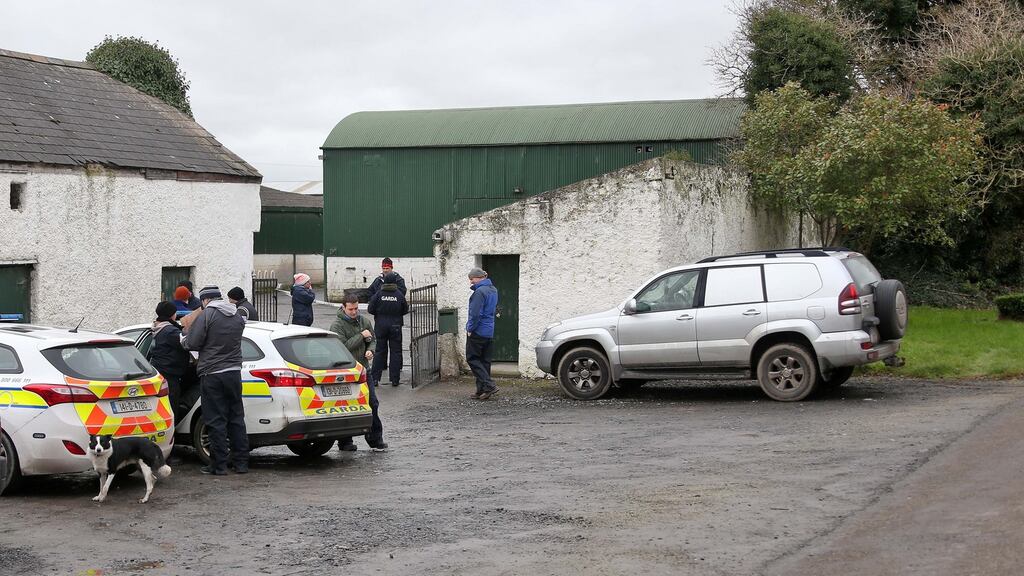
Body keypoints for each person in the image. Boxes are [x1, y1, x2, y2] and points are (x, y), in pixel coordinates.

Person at [181, 285, 249, 475]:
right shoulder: (236, 315)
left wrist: (182, 339)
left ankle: (219, 465)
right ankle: (241, 463)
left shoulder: (207, 315)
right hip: (234, 373)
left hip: (212, 374)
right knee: (236, 418)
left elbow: (193, 343)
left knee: (215, 419)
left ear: (205, 300)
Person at [329, 294, 387, 451]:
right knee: (345, 406)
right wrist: (361, 335)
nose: (354, 312)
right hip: (346, 372)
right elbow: (343, 347)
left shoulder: (364, 321)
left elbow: (372, 340)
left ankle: (376, 439)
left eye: (356, 308)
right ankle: (345, 441)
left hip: (363, 369)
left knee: (372, 403)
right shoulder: (337, 326)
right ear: (343, 307)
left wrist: (370, 351)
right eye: (350, 309)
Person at [149, 301, 190, 422]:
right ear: (171, 314)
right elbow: (187, 343)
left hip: (160, 372)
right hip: (170, 375)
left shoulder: (157, 327)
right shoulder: (170, 331)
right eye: (174, 312)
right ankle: (171, 434)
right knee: (171, 407)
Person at [367, 272, 409, 387]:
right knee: (395, 352)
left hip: (380, 326)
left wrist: (379, 314)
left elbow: (370, 309)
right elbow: (405, 309)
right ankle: (395, 380)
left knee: (379, 352)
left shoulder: (379, 294)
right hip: (395, 326)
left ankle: (375, 379)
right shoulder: (399, 294)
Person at [466, 267, 499, 400]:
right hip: (489, 331)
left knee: (472, 359)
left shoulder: (479, 292)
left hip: (478, 331)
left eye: (471, 279)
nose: (470, 282)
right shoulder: (493, 290)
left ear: (479, 278)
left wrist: (470, 328)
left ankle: (489, 385)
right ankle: (481, 390)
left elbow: (475, 314)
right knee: (484, 361)